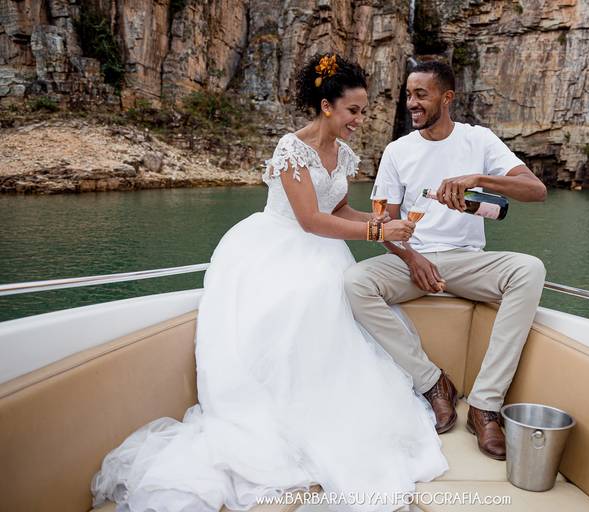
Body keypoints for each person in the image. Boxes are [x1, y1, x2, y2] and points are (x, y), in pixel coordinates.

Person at [91, 54, 448, 512]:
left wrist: (387, 224)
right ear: (326, 106)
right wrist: (378, 231)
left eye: (363, 111)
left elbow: (338, 209)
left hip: (324, 253)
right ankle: (278, 421)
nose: (360, 119)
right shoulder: (291, 149)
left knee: (338, 314)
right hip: (275, 250)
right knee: (299, 309)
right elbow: (310, 219)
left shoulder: (344, 153)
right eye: (353, 110)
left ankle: (324, 413)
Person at [344, 60, 547, 461]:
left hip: (467, 261)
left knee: (529, 270)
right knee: (355, 282)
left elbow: (535, 190)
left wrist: (479, 179)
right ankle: (433, 382)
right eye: (408, 95)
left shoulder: (479, 140)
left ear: (447, 97)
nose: (412, 103)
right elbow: (385, 222)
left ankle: (485, 406)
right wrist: (412, 257)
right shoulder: (397, 151)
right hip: (413, 260)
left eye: (421, 95)